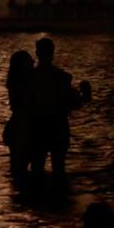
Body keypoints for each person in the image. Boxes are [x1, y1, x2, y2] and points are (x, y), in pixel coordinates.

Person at [29, 37, 90, 184]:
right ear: (52, 54)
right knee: (59, 168)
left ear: (37, 53)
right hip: (58, 126)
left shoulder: (31, 77)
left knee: (37, 169)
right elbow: (75, 103)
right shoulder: (62, 77)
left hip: (39, 127)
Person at [4, 49, 35, 177]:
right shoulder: (26, 83)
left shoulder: (13, 83)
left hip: (16, 126)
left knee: (16, 168)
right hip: (24, 127)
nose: (33, 64)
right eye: (30, 62)